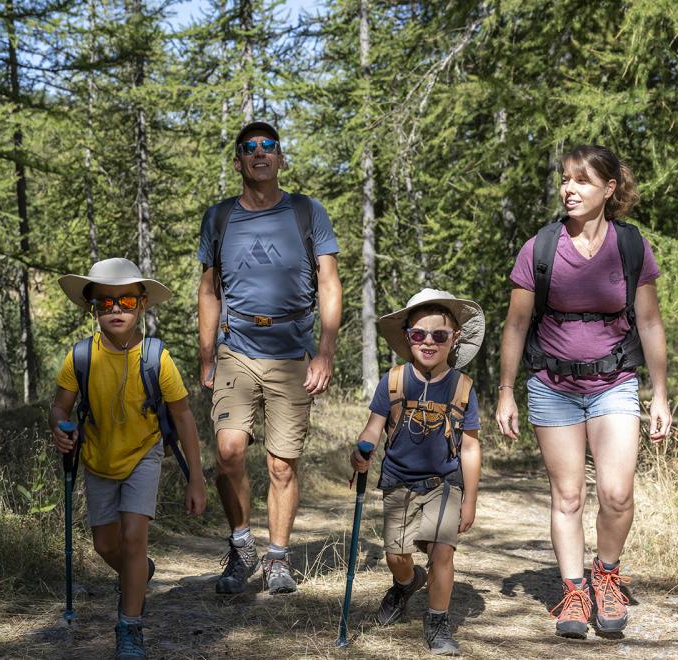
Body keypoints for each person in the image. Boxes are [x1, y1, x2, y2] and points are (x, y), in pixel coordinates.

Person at [494, 145, 671, 638]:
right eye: (565, 180)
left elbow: (651, 321)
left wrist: (660, 394)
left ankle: (607, 576)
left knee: (616, 494)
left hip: (614, 383)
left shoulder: (631, 246)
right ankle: (573, 592)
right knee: (567, 496)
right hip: (552, 386)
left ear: (608, 190)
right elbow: (516, 323)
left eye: (582, 181)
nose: (568, 189)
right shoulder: (540, 247)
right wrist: (506, 390)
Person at [197, 121, 342, 594]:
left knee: (283, 465)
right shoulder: (219, 218)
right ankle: (242, 547)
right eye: (250, 148)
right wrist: (205, 355)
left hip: (292, 352)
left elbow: (329, 283)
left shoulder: (307, 211)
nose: (260, 153)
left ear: (281, 159)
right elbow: (208, 290)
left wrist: (325, 352)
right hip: (235, 347)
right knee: (228, 452)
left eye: (269, 146)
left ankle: (277, 559)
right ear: (238, 161)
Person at [50, 257, 207, 660]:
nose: (116, 309)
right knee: (106, 546)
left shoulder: (157, 358)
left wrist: (196, 478)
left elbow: (183, 416)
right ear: (93, 309)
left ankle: (129, 628)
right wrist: (60, 428)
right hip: (97, 458)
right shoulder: (80, 358)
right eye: (105, 303)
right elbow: (59, 407)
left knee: (134, 540)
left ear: (141, 305)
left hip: (144, 455)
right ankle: (139, 574)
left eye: (125, 301)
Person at [350, 289, 484, 656]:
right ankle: (407, 584)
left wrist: (470, 500)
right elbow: (374, 426)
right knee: (397, 556)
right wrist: (362, 451)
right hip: (397, 481)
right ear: (408, 336)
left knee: (442, 551)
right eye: (419, 334)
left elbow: (470, 447)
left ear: (454, 339)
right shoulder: (393, 381)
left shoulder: (462, 387)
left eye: (439, 335)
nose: (428, 342)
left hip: (445, 483)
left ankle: (438, 621)